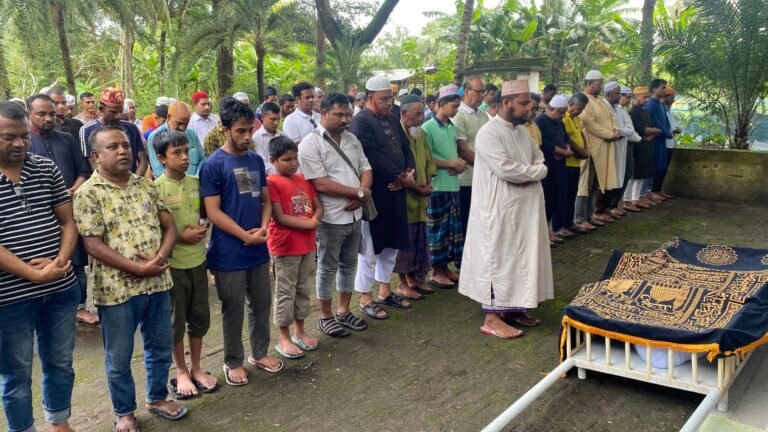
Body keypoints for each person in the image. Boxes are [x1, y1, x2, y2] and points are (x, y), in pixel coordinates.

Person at [74, 126, 187, 431]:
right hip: (116, 291)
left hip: (157, 282)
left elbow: (169, 226)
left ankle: (158, 397)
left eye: (125, 145)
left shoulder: (145, 185)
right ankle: (124, 412)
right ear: (96, 156)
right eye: (113, 147)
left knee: (161, 345)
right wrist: (138, 268)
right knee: (119, 356)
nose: (123, 151)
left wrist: (159, 259)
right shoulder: (88, 193)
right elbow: (92, 245)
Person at [0, 100, 80, 432]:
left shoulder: (45, 167)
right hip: (10, 298)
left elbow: (68, 222)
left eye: (23, 137)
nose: (19, 143)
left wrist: (61, 261)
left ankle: (59, 422)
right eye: (8, 137)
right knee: (16, 373)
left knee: (60, 363)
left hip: (60, 288)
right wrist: (33, 273)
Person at [458, 80, 553, 339]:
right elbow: (506, 170)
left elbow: (540, 158)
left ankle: (513, 309)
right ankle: (492, 317)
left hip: (524, 211)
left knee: (520, 259)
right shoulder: (490, 133)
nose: (528, 110)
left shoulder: (521, 131)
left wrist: (536, 170)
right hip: (498, 211)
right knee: (497, 260)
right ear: (506, 102)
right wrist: (536, 172)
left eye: (530, 105)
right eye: (523, 104)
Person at [199, 98, 282, 386]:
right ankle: (232, 360)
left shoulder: (256, 160)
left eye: (250, 130)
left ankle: (259, 353)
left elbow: (265, 200)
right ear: (225, 130)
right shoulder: (213, 165)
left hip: (258, 247)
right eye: (240, 131)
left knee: (261, 303)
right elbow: (213, 211)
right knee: (232, 307)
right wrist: (244, 235)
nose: (247, 137)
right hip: (229, 252)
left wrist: (261, 228)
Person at [298, 93, 372, 338]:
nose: (345, 119)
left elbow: (365, 167)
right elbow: (320, 183)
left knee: (350, 263)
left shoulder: (352, 139)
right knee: (328, 267)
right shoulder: (311, 143)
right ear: (324, 113)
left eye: (348, 114)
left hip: (354, 214)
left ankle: (343, 311)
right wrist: (360, 192)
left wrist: (362, 193)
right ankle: (325, 316)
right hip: (331, 215)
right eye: (339, 115)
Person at [152, 129, 218, 400]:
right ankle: (180, 370)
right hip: (174, 265)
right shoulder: (155, 188)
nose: (183, 157)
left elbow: (204, 213)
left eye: (186, 151)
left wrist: (202, 228)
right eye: (176, 153)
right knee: (176, 319)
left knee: (199, 316)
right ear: (161, 158)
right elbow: (155, 228)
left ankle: (197, 367)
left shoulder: (195, 182)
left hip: (197, 261)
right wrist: (181, 236)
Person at [27, 94, 96, 325]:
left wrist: (73, 190)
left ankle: (79, 306)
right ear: (29, 114)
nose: (48, 119)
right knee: (42, 258)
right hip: (40, 215)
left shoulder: (67, 139)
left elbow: (83, 172)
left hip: (71, 210)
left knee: (76, 262)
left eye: (52, 114)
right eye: (41, 114)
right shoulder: (24, 143)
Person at [351, 77, 417, 315]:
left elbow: (406, 147)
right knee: (370, 247)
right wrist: (401, 176)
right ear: (370, 98)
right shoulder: (361, 122)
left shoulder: (392, 118)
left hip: (397, 190)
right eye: (384, 99)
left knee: (392, 245)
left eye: (391, 98)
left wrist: (409, 172)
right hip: (376, 193)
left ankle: (385, 291)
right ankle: (365, 298)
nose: (390, 103)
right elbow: (371, 157)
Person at [266, 136, 323, 358]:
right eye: (286, 159)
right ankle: (284, 336)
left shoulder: (304, 179)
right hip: (285, 246)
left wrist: (316, 218)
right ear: (273, 160)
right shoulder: (272, 182)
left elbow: (317, 206)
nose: (293, 163)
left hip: (307, 244)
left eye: (295, 157)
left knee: (303, 288)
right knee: (285, 291)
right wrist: (309, 223)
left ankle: (300, 330)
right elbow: (279, 216)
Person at [422, 84, 466, 289]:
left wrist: (459, 165)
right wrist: (451, 164)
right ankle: (435, 271)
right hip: (437, 185)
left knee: (451, 231)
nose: (456, 110)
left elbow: (454, 153)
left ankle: (446, 267)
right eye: (453, 106)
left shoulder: (452, 126)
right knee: (437, 230)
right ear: (441, 104)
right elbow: (427, 158)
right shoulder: (427, 128)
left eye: (458, 106)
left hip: (452, 185)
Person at [394, 95, 436, 297]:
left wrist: (427, 184)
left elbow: (429, 161)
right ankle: (402, 283)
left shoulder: (422, 134)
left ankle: (416, 279)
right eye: (417, 114)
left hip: (422, 196)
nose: (421, 118)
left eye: (422, 113)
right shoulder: (395, 134)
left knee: (420, 239)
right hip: (405, 197)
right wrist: (415, 186)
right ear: (404, 114)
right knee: (405, 242)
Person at [579, 70, 620, 225]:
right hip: (592, 148)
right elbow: (590, 124)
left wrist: (615, 131)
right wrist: (610, 135)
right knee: (586, 185)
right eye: (598, 84)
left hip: (604, 147)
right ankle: (580, 218)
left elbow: (611, 117)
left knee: (596, 184)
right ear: (589, 83)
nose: (600, 88)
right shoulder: (584, 100)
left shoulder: (600, 101)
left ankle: (589, 216)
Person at [535, 94, 576, 244]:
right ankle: (545, 233)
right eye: (560, 112)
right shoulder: (540, 120)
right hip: (547, 164)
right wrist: (562, 151)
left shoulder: (560, 122)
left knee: (559, 195)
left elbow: (565, 138)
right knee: (547, 197)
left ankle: (555, 228)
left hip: (560, 164)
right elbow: (544, 142)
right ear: (551, 109)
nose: (562, 115)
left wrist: (567, 147)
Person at [453, 76, 490, 239]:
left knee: (481, 219)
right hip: (466, 178)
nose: (482, 95)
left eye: (484, 91)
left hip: (482, 176)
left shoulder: (483, 115)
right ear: (467, 92)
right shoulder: (458, 115)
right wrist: (488, 166)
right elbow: (463, 150)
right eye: (479, 91)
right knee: (466, 219)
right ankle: (464, 258)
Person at [79, 87, 148, 176]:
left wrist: (134, 181)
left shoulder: (131, 128)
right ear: (101, 109)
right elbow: (92, 164)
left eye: (120, 111)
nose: (117, 116)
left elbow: (143, 162)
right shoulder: (87, 130)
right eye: (113, 112)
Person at [146, 101, 206, 177]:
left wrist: (196, 177)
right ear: (169, 117)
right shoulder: (154, 137)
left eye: (186, 124)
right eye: (179, 123)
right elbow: (158, 170)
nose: (182, 128)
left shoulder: (191, 134)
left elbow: (202, 159)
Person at [625, 86, 661, 209]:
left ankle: (636, 198)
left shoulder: (644, 111)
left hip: (646, 145)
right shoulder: (633, 112)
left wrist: (654, 133)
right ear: (636, 97)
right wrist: (655, 131)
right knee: (634, 174)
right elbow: (640, 129)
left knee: (643, 174)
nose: (647, 100)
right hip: (637, 147)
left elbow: (651, 127)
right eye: (644, 97)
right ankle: (629, 199)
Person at [562, 93, 593, 233]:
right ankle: (562, 225)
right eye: (579, 108)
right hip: (568, 162)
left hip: (576, 162)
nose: (580, 111)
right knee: (565, 195)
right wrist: (581, 152)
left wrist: (586, 149)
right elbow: (568, 139)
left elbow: (581, 135)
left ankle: (570, 223)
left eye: (582, 108)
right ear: (571, 104)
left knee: (573, 193)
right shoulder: (565, 118)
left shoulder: (577, 119)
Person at [610, 86, 642, 213]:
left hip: (628, 144)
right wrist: (636, 137)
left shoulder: (623, 110)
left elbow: (629, 129)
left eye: (629, 98)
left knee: (626, 174)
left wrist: (635, 136)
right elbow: (621, 129)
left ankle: (616, 204)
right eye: (626, 97)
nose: (628, 100)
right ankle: (612, 205)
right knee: (618, 175)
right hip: (619, 144)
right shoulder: (615, 110)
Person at [601, 81, 630, 219]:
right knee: (607, 178)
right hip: (609, 145)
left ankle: (610, 207)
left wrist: (624, 132)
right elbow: (615, 129)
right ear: (609, 94)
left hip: (619, 144)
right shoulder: (603, 107)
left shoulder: (617, 108)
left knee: (617, 176)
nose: (619, 96)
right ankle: (601, 210)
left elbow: (623, 128)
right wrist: (623, 132)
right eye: (617, 93)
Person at [645, 78, 672, 201]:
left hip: (661, 139)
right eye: (662, 87)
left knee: (661, 165)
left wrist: (667, 131)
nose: (664, 90)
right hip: (655, 139)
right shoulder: (651, 104)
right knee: (654, 165)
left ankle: (656, 190)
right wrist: (665, 132)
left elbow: (665, 122)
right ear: (654, 89)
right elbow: (655, 123)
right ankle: (649, 192)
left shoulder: (661, 104)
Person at [252, 102, 283, 176]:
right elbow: (263, 163)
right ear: (262, 118)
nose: (276, 123)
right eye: (272, 119)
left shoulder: (283, 135)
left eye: (278, 119)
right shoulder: (256, 138)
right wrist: (282, 171)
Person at [661, 86, 680, 199]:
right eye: (672, 97)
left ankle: (659, 190)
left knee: (665, 168)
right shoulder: (661, 109)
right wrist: (676, 129)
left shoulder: (668, 110)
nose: (673, 100)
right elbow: (669, 127)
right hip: (664, 143)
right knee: (660, 168)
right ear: (665, 97)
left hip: (670, 142)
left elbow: (673, 125)